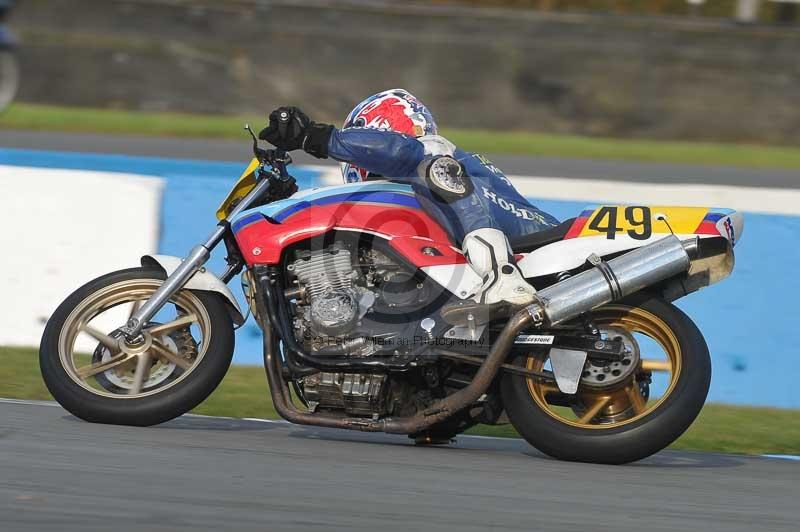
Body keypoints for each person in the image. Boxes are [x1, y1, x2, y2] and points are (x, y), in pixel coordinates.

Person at [259, 89, 559, 306]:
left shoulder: (430, 150)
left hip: (536, 243)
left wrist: (319, 137)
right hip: (512, 241)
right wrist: (287, 200)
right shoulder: (418, 189)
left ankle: (501, 275)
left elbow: (403, 152)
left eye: (359, 141)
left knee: (435, 167)